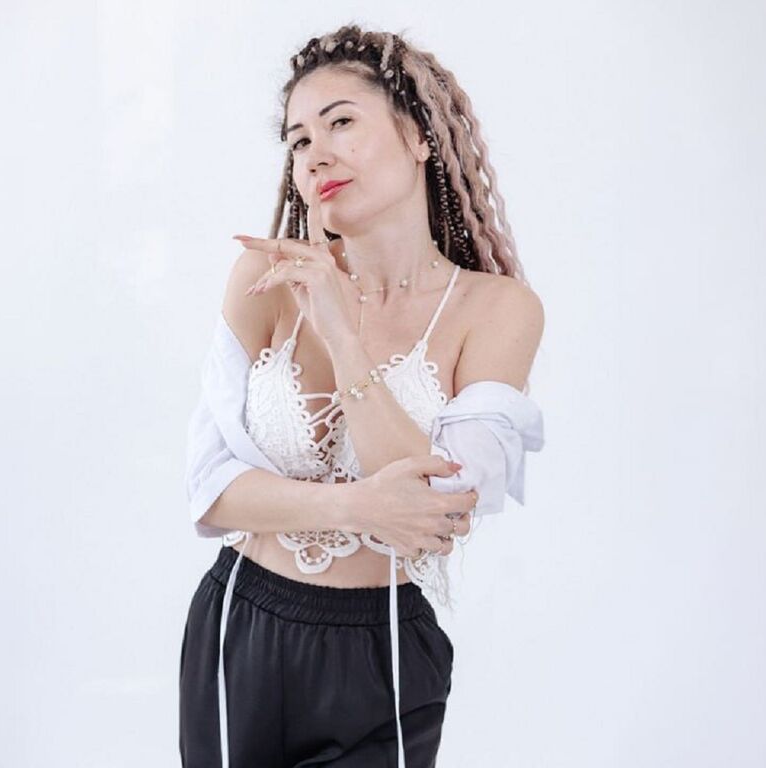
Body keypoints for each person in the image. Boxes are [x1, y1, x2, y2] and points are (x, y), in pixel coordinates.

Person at [180, 25, 546, 767]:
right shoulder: (263, 279)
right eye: (298, 141)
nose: (315, 154)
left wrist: (342, 334)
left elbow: (438, 516)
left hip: (382, 650)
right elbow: (210, 491)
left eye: (341, 121)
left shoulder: (497, 310)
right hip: (238, 628)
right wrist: (359, 506)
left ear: (419, 135)